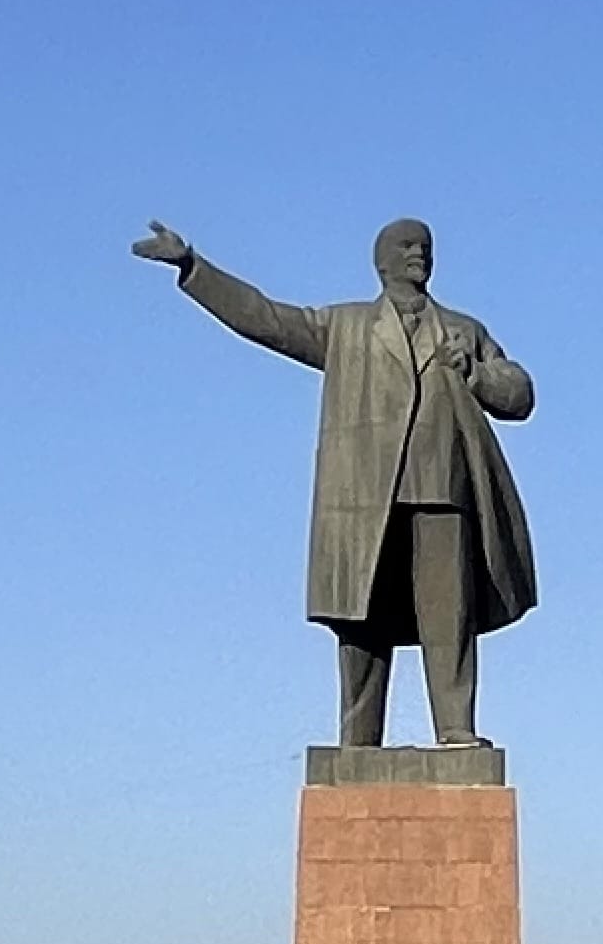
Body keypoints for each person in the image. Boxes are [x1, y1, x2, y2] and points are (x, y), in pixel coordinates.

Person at [134, 216, 537, 747]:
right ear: (382, 261)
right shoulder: (345, 327)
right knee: (361, 618)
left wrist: (477, 374)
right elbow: (265, 318)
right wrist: (193, 267)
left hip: (443, 486)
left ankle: (456, 730)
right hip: (364, 496)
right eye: (406, 245)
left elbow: (520, 395)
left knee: (449, 617)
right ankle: (359, 740)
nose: (419, 253)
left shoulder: (464, 329)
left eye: (425, 246)